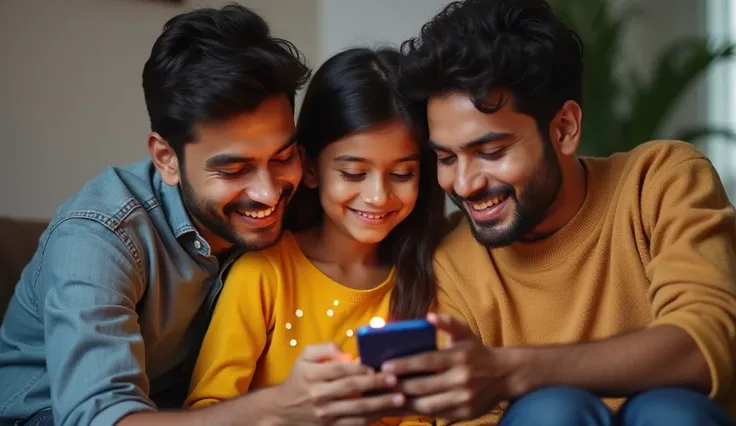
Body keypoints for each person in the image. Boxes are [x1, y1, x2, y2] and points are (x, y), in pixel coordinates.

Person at [376, 0, 736, 425]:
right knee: (551, 412)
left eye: (490, 152)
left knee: (670, 411)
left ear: (564, 128)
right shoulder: (453, 265)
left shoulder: (658, 181)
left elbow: (702, 347)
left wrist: (507, 370)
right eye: (447, 159)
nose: (465, 184)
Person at [0, 4, 323, 426]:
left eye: (282, 157)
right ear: (167, 158)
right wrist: (271, 409)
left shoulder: (296, 203)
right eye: (233, 169)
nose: (268, 192)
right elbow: (99, 418)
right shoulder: (98, 237)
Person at [183, 47, 447, 426]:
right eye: (354, 173)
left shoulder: (423, 277)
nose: (377, 195)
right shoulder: (264, 275)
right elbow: (207, 408)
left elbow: (421, 417)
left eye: (402, 174)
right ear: (309, 168)